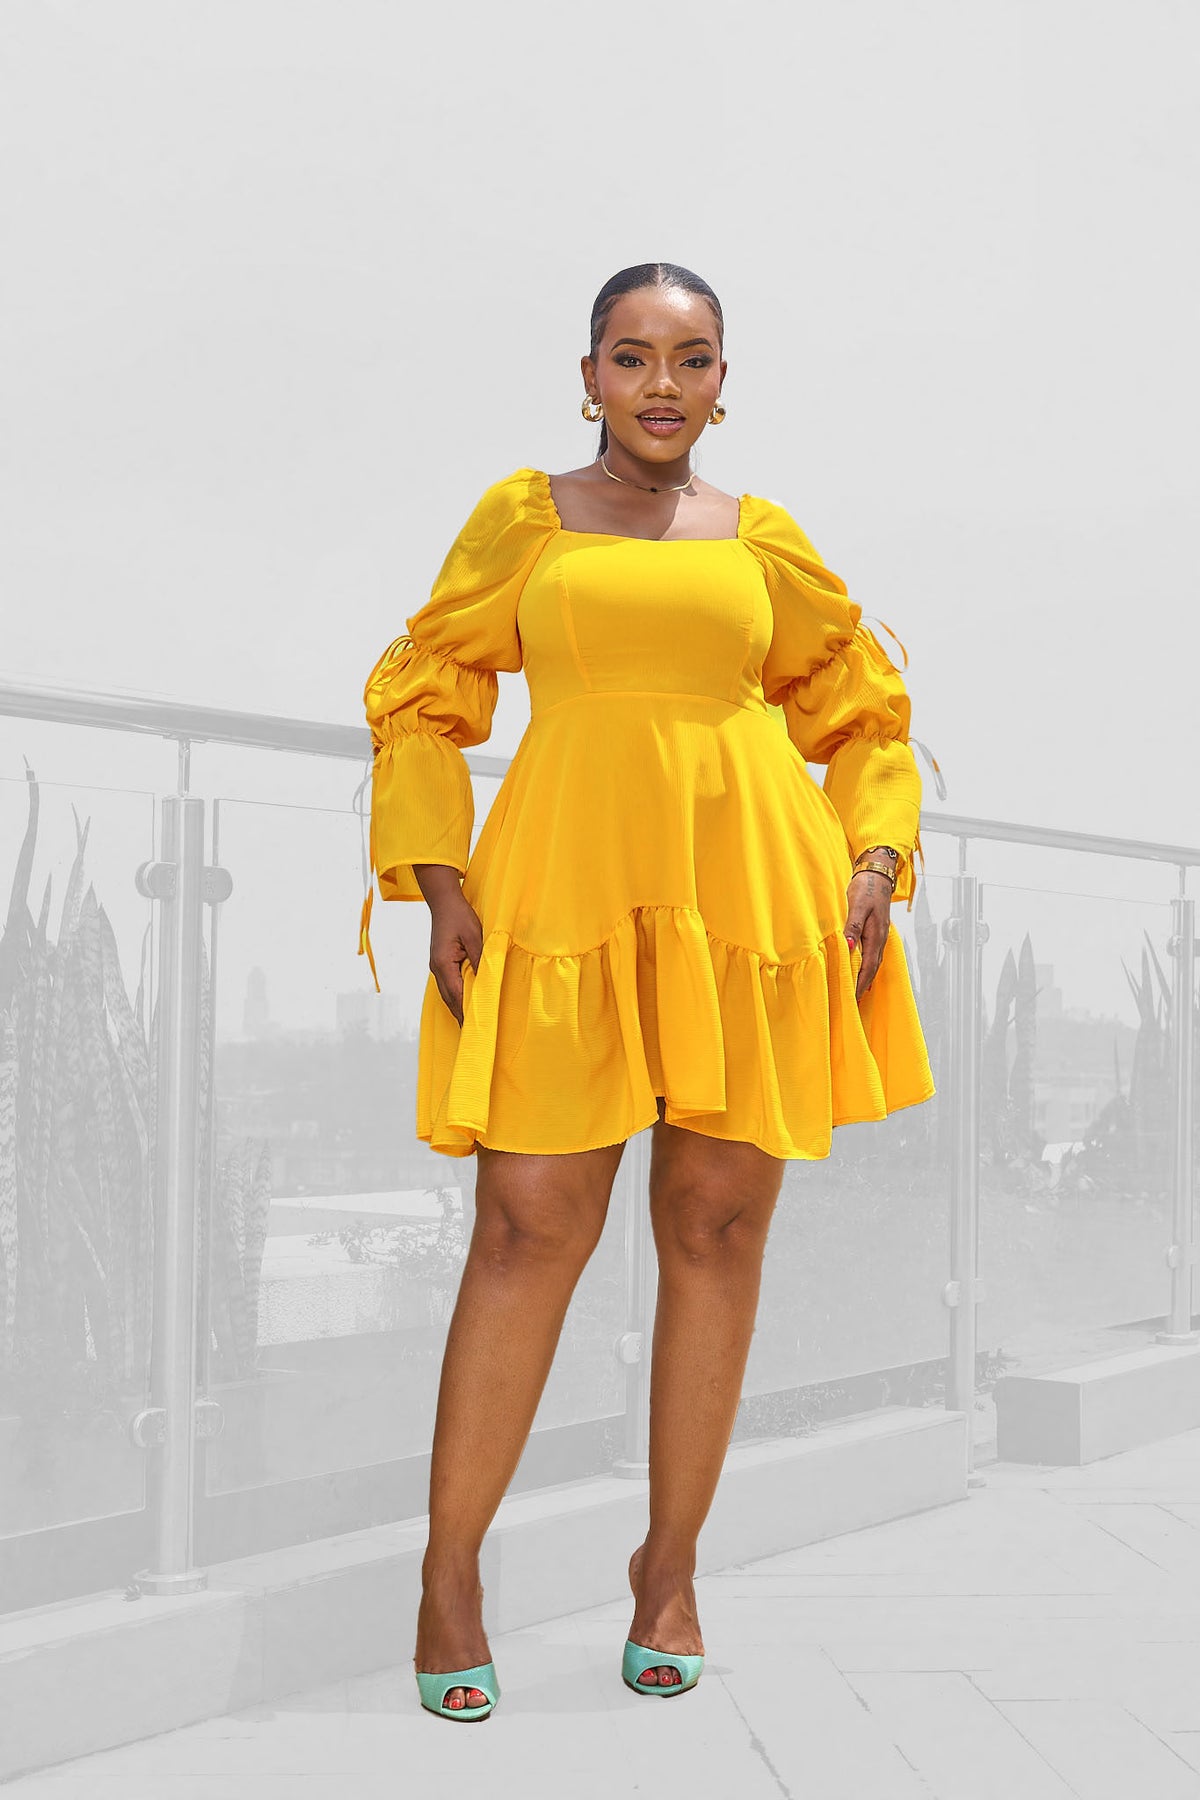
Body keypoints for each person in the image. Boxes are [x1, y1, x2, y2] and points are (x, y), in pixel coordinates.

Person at [357, 262, 936, 1721]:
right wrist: (439, 878)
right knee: (525, 1223)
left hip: (748, 891)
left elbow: (861, 713)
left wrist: (875, 858)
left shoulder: (763, 540)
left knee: (717, 1225)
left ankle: (669, 1569)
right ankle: (448, 1573)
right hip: (562, 882)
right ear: (589, 378)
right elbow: (425, 693)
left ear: (725, 383)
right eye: (632, 356)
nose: (661, 384)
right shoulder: (527, 519)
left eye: (691, 358)